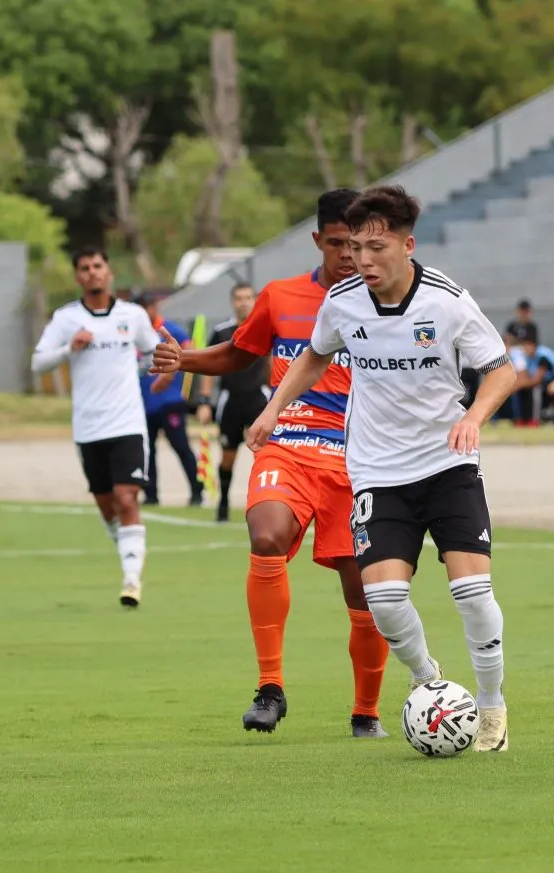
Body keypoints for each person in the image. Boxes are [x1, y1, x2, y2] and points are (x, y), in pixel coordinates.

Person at [248, 184, 517, 753]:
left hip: (447, 466)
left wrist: (474, 416)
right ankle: (430, 682)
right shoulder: (342, 302)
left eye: (376, 247)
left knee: (470, 590)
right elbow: (315, 356)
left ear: (407, 244)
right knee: (386, 602)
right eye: (355, 248)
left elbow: (500, 370)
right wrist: (273, 410)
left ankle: (491, 707)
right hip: (377, 472)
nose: (362, 260)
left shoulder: (446, 301)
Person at [153, 189, 391, 739]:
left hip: (360, 461)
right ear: (318, 240)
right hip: (288, 445)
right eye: (337, 244)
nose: (348, 257)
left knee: (367, 591)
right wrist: (185, 357)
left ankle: (366, 712)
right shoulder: (281, 296)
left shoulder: (390, 302)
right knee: (265, 537)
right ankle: (270, 688)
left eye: (357, 246)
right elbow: (241, 351)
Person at [31, 246, 167, 608]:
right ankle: (127, 552)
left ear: (109, 273)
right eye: (85, 267)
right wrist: (68, 350)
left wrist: (164, 375)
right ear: (78, 276)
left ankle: (131, 580)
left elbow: (157, 352)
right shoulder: (65, 319)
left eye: (98, 266)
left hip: (127, 423)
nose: (92, 272)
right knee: (107, 507)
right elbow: (38, 363)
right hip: (88, 428)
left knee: (127, 498)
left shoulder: (132, 315)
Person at [196, 281, 268, 522]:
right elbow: (208, 365)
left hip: (260, 400)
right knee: (228, 457)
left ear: (255, 300)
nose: (244, 302)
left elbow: (276, 362)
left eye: (248, 297)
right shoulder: (222, 331)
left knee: (266, 456)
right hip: (231, 402)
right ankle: (223, 502)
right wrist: (205, 401)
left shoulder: (267, 327)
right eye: (239, 298)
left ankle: (263, 506)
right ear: (232, 302)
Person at [134, 291, 202, 507]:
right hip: (144, 403)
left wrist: (173, 372)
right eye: (140, 308)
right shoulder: (134, 334)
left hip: (169, 401)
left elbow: (191, 352)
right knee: (147, 451)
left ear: (154, 307)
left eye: (147, 306)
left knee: (181, 446)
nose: (144, 312)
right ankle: (151, 494)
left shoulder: (169, 330)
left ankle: (197, 491)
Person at [514, 335, 554, 425]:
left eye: (527, 346)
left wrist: (518, 385)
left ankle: (535, 420)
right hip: (542, 381)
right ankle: (521, 419)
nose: (525, 349)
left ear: (534, 346)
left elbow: (537, 379)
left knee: (536, 389)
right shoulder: (527, 356)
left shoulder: (542, 356)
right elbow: (525, 375)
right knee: (521, 390)